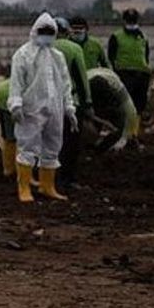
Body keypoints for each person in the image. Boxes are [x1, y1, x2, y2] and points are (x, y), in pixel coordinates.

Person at [8, 13, 76, 203]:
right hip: (31, 109)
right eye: (43, 31)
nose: (46, 35)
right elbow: (16, 83)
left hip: (55, 109)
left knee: (53, 147)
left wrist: (69, 107)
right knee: (27, 147)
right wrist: (15, 104)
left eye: (50, 32)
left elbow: (65, 83)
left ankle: (47, 187)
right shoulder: (23, 55)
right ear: (34, 31)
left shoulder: (57, 56)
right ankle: (24, 188)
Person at [53, 17, 93, 186]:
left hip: (45, 103)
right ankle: (67, 178)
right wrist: (88, 103)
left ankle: (47, 178)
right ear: (66, 31)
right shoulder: (74, 49)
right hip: (70, 102)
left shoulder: (39, 48)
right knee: (71, 143)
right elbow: (81, 78)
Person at [108, 9, 152, 117]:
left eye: (133, 21)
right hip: (124, 74)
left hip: (141, 74)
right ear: (124, 21)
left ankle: (136, 128)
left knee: (139, 105)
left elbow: (146, 55)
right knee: (125, 104)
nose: (131, 24)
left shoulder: (143, 37)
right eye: (129, 21)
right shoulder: (116, 36)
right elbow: (111, 55)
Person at [87, 68, 139, 151]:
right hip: (91, 85)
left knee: (120, 116)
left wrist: (129, 135)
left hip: (102, 82)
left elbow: (130, 109)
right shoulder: (83, 88)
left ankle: (101, 145)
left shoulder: (115, 84)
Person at [0, 78, 16, 177]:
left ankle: (9, 168)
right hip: (7, 99)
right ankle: (10, 170)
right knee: (12, 137)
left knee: (8, 135)